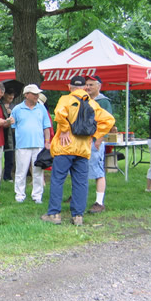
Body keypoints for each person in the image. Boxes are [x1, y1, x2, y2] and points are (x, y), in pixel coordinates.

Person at [41, 76, 114, 226]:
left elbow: (60, 113)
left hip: (64, 147)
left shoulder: (66, 100)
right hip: (83, 149)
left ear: (69, 86)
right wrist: (95, 135)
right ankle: (78, 216)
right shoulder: (92, 104)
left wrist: (66, 129)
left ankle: (54, 214)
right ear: (85, 88)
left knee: (58, 179)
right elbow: (109, 120)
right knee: (81, 182)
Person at [11, 84, 51, 204]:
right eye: (34, 94)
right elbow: (13, 126)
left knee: (38, 171)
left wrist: (47, 142)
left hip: (38, 144)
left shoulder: (41, 108)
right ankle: (19, 195)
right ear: (26, 95)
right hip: (22, 144)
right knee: (21, 171)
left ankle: (37, 196)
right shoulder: (17, 109)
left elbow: (47, 126)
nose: (36, 96)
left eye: (37, 94)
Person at [84, 75, 113, 213]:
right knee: (80, 167)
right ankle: (78, 195)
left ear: (99, 86)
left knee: (97, 170)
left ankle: (99, 202)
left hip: (95, 141)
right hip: (84, 140)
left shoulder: (103, 102)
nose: (88, 87)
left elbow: (108, 122)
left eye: (91, 85)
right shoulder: (85, 100)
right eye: (87, 85)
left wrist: (100, 139)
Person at [2, 88, 16, 182]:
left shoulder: (15, 106)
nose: (11, 96)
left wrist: (11, 113)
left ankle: (7, 175)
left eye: (13, 94)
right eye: (9, 94)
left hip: (11, 133)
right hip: (0, 131)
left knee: (10, 155)